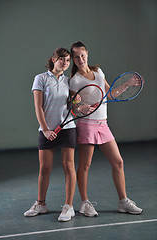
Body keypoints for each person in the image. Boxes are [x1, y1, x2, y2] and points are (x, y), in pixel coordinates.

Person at [69, 41, 143, 217]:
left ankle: (123, 201)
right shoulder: (75, 81)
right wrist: (80, 108)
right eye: (76, 57)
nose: (80, 59)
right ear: (73, 59)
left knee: (118, 162)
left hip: (103, 125)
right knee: (85, 165)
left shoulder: (98, 72)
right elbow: (73, 107)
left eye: (83, 55)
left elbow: (110, 94)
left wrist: (127, 85)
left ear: (87, 54)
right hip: (86, 125)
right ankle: (84, 203)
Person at [24, 48, 77, 222]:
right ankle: (41, 204)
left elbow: (72, 106)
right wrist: (45, 129)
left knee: (68, 166)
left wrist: (77, 103)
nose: (65, 63)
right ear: (53, 59)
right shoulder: (40, 79)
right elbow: (38, 107)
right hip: (47, 129)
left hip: (67, 128)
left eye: (68, 60)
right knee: (44, 169)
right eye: (62, 59)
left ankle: (68, 207)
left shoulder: (68, 81)